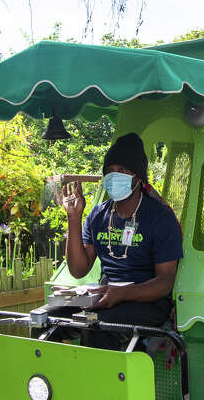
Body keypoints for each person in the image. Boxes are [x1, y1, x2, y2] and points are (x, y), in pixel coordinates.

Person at [61, 132, 183, 347]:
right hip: (106, 296)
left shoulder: (160, 217)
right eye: (109, 171)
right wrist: (74, 218)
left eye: (122, 170)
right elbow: (78, 270)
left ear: (137, 177)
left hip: (147, 302)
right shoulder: (98, 215)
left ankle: (98, 381)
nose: (113, 176)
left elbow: (165, 282)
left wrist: (124, 293)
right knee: (45, 318)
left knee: (96, 325)